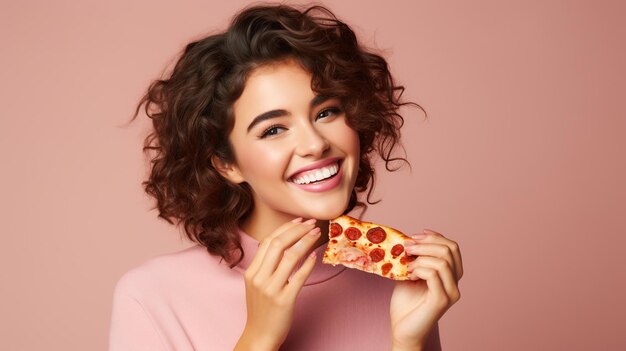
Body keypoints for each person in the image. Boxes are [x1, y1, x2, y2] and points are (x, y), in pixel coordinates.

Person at [109, 4, 463, 351]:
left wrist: (408, 343)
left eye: (326, 112)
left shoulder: (399, 285)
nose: (314, 144)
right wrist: (258, 339)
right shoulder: (151, 297)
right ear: (225, 163)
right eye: (274, 129)